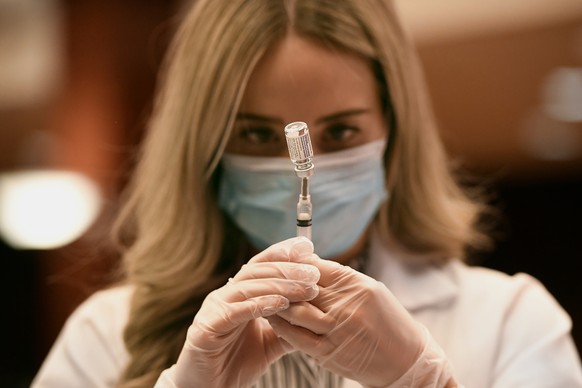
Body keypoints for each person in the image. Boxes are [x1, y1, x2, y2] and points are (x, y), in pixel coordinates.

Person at [32, 0, 582, 387]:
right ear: (206, 149)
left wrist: (419, 383)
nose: (305, 168)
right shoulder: (106, 335)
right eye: (255, 134)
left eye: (342, 132)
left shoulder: (512, 321)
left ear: (394, 134)